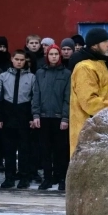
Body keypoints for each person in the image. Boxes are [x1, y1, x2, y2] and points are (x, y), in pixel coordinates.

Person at [69, 28, 108, 156]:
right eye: (105, 41)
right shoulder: (85, 68)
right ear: (94, 45)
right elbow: (89, 101)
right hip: (89, 135)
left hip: (101, 132)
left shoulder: (100, 64)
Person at [0, 49, 35, 189]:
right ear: (12, 59)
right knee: (8, 150)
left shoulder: (31, 77)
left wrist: (32, 117)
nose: (19, 62)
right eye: (16, 59)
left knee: (24, 149)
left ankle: (24, 177)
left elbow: (34, 99)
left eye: (22, 60)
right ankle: (9, 178)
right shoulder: (3, 77)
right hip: (7, 116)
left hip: (24, 117)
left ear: (25, 61)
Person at [32, 44, 71, 191]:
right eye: (51, 54)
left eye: (56, 54)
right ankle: (47, 178)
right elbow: (36, 95)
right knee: (45, 150)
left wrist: (65, 118)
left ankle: (61, 178)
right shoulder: (40, 73)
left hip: (59, 118)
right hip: (43, 117)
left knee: (60, 150)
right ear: (47, 56)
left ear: (60, 56)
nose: (53, 56)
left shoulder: (66, 74)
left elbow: (68, 98)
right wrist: (35, 114)